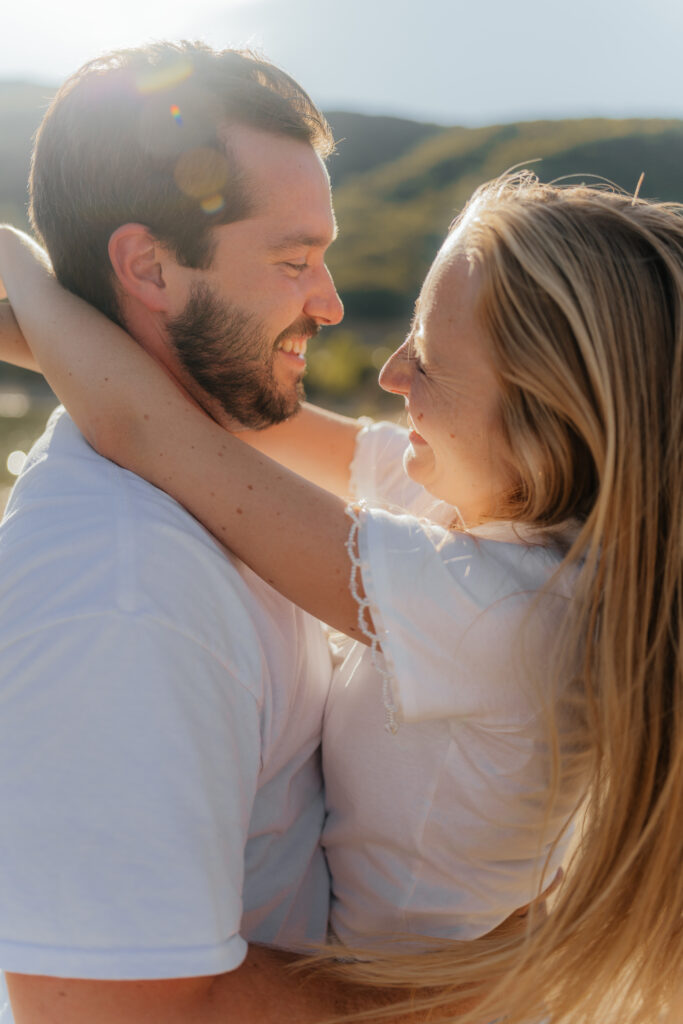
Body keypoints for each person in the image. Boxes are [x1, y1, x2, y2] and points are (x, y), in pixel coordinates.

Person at [2, 169, 681, 1024]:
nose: (394, 375)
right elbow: (225, 410)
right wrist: (31, 328)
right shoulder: (469, 494)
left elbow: (150, 430)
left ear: (547, 411)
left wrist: (19, 263)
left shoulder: (507, 611)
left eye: (430, 360)